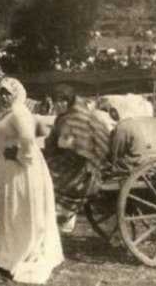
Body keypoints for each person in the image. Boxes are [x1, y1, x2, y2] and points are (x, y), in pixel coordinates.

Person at [0, 77, 63, 284]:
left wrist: (19, 156)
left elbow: (28, 140)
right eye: (0, 93)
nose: (3, 97)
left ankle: (20, 254)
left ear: (17, 94)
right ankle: (3, 254)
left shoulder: (19, 113)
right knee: (5, 210)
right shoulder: (5, 114)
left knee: (17, 211)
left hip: (21, 170)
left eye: (7, 93)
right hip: (5, 168)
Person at [45, 84, 112, 233]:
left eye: (61, 101)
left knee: (46, 174)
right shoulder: (74, 115)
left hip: (85, 167)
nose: (57, 105)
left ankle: (64, 215)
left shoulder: (74, 118)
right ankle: (63, 216)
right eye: (55, 101)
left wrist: (57, 145)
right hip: (80, 160)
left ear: (68, 102)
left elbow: (69, 144)